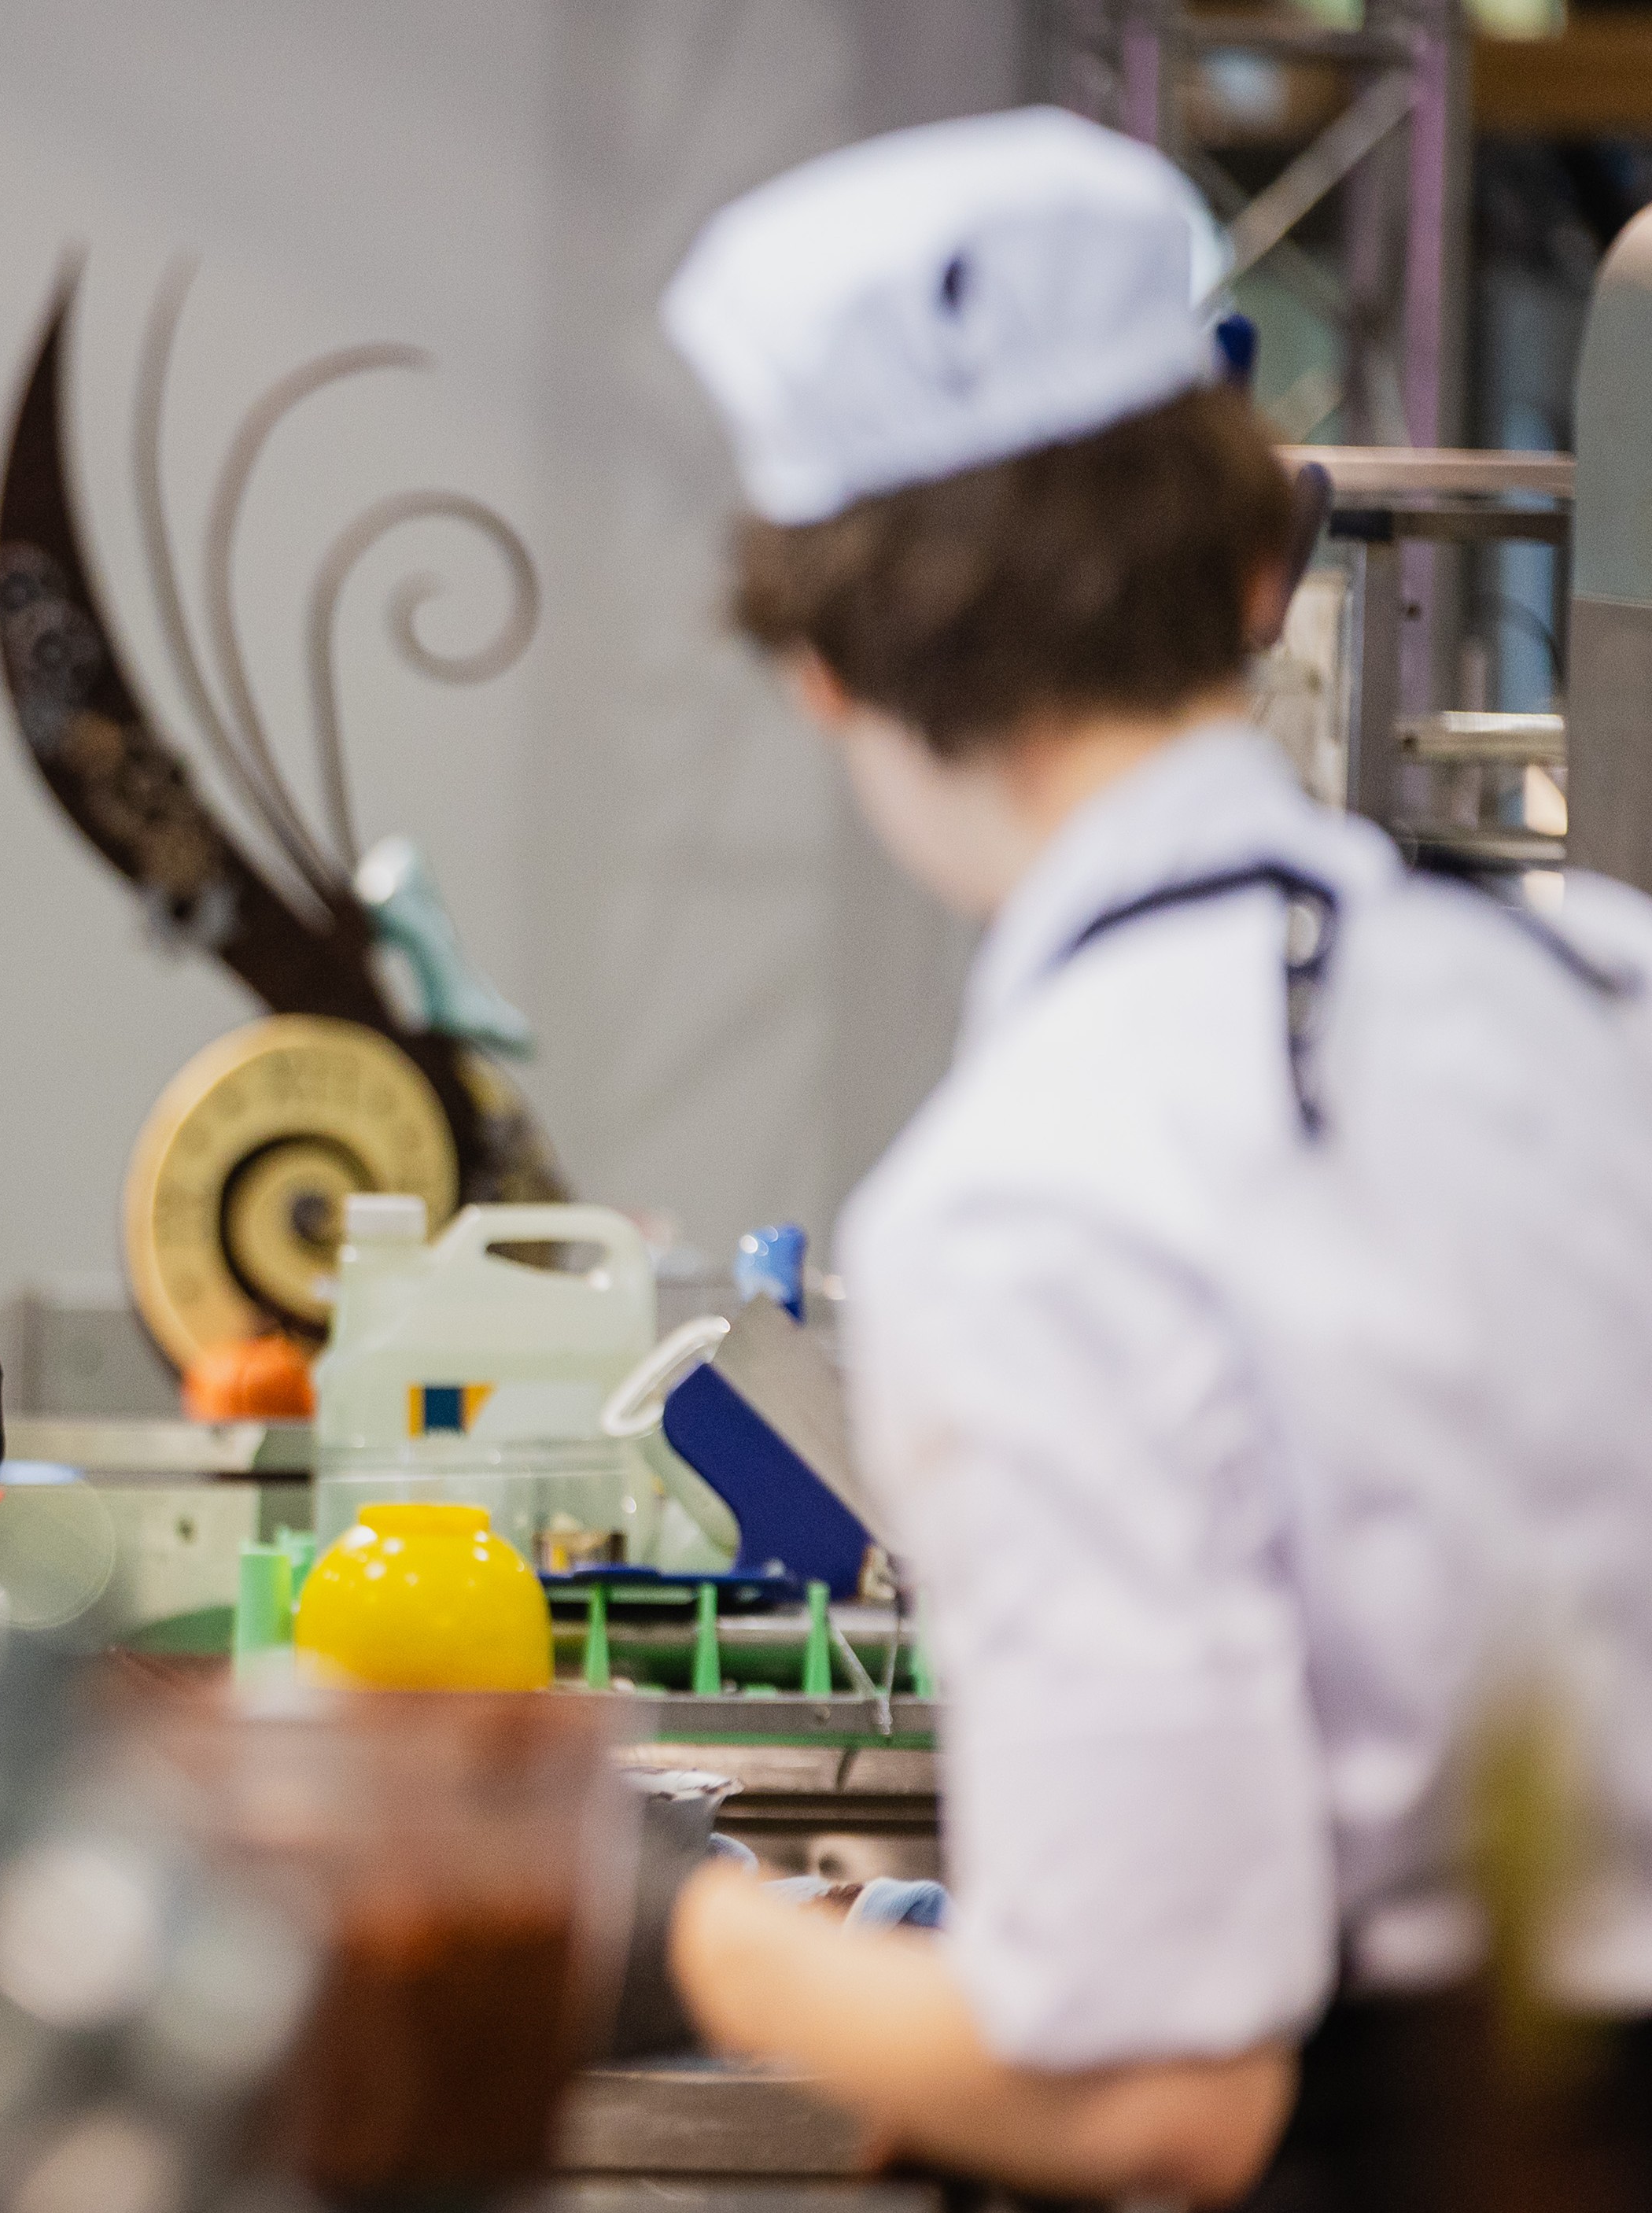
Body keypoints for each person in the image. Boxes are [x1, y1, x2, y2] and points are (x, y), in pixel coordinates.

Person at [654, 109, 1652, 2204]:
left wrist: (690, 1930)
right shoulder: (1602, 988)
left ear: (826, 670)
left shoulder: (1031, 1194)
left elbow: (1149, 2093)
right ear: (1265, 563)